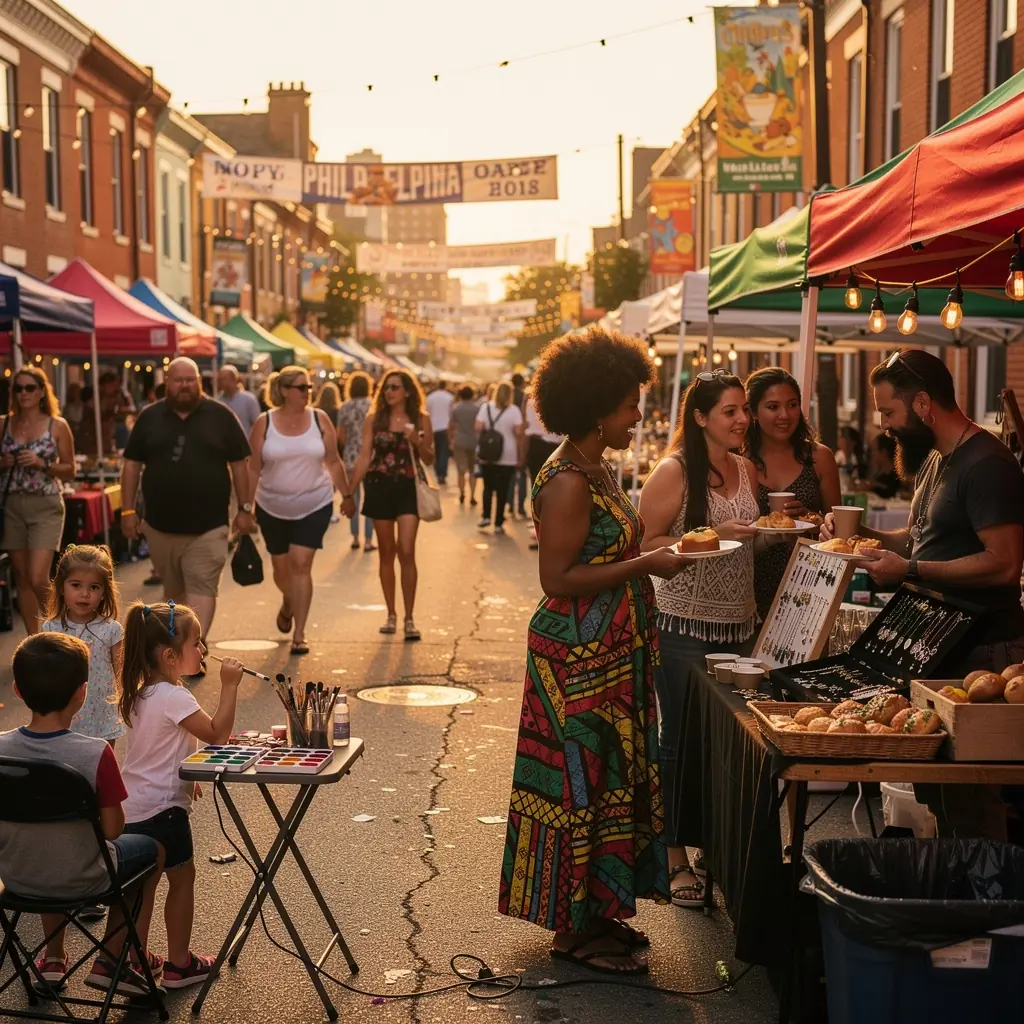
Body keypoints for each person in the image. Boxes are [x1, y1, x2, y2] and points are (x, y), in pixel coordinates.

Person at [498, 328, 688, 975]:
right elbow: (558, 579)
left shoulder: (596, 465)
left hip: (612, 658)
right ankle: (573, 932)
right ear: (599, 407)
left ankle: (601, 914)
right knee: (583, 789)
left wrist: (644, 563)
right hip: (576, 665)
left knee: (610, 784)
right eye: (632, 404)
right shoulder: (568, 480)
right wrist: (645, 564)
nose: (639, 415)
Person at [821, 348, 1024, 839]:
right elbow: (915, 537)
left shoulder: (987, 464)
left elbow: (1004, 563)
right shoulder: (937, 458)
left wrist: (908, 568)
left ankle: (991, 905)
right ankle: (953, 896)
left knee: (977, 794)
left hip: (985, 652)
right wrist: (859, 536)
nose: (885, 425)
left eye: (890, 412)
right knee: (941, 791)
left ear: (924, 405)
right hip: (941, 645)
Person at [639, 369, 763, 907]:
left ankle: (716, 845)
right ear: (700, 417)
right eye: (731, 411)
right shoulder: (674, 471)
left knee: (729, 742)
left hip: (740, 623)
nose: (742, 420)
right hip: (684, 623)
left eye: (743, 410)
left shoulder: (745, 469)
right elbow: (645, 545)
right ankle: (673, 858)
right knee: (679, 742)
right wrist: (707, 539)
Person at [0, 632, 164, 997]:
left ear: (18, 691)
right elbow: (112, 829)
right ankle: (111, 958)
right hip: (84, 879)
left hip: (15, 879)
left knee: (45, 846)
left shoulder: (1, 749)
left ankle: (54, 959)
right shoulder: (94, 754)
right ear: (82, 692)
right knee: (153, 850)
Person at [117, 600, 244, 989]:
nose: (204, 651)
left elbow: (157, 748)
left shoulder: (142, 692)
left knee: (144, 886)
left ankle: (133, 961)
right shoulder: (176, 696)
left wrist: (188, 774)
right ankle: (179, 964)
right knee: (183, 878)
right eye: (197, 643)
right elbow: (218, 734)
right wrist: (228, 685)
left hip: (133, 803)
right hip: (163, 810)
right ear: (171, 655)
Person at [120, 357, 255, 649]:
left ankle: (195, 647)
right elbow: (131, 465)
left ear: (200, 381)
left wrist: (245, 509)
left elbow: (240, 464)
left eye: (190, 380)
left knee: (202, 584)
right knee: (175, 592)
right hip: (160, 525)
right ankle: (182, 647)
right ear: (167, 382)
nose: (184, 386)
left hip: (210, 525)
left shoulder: (221, 415)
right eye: (178, 380)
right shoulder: (149, 417)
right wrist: (128, 510)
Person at [249, 367, 353, 656]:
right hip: (272, 505)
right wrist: (246, 507)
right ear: (284, 391)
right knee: (281, 570)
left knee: (301, 564)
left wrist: (347, 494)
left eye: (309, 387)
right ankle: (288, 602)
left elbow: (333, 461)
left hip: (314, 502)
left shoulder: (320, 419)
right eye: (301, 387)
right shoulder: (264, 422)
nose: (308, 391)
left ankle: (299, 634)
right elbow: (253, 467)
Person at [743, 367, 842, 618]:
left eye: (792, 404)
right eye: (773, 407)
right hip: (749, 584)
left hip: (809, 582)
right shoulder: (739, 461)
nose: (785, 415)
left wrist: (812, 518)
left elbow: (839, 532)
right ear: (753, 411)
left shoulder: (819, 457)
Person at [347, 371, 434, 642]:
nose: (389, 392)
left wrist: (417, 440)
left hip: (408, 488)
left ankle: (409, 618)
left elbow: (429, 458)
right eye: (386, 387)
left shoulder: (421, 419)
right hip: (379, 487)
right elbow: (364, 457)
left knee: (406, 551)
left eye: (395, 387)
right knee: (386, 552)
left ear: (408, 391)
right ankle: (391, 614)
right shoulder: (375, 419)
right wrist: (349, 493)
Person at [0, 366, 76, 634]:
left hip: (46, 504)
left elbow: (70, 468)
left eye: (29, 388)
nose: (23, 393)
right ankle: (35, 639)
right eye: (18, 388)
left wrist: (41, 463)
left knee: (37, 577)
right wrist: (4, 462)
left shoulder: (57, 425)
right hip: (11, 505)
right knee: (21, 578)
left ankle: (64, 626)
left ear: (42, 391)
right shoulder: (4, 423)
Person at [42, 544, 123, 746]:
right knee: (65, 768)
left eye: (94, 587)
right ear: (61, 587)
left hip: (102, 711)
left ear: (105, 591)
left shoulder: (111, 629)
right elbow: (43, 670)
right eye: (76, 585)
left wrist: (127, 699)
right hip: (62, 710)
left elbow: (120, 670)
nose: (84, 594)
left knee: (101, 767)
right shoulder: (50, 627)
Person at [475, 381, 525, 535]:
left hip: (488, 454)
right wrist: (521, 455)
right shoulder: (514, 410)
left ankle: (485, 516)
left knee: (488, 487)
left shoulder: (486, 407)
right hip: (508, 455)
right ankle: (498, 522)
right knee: (503, 489)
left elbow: (478, 427)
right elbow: (519, 433)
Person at [337, 372, 376, 551]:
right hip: (371, 457)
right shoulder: (372, 406)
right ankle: (368, 540)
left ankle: (354, 538)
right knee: (370, 500)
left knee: (353, 497)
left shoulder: (345, 407)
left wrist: (350, 446)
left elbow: (341, 435)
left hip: (351, 456)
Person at [448, 384, 480, 508]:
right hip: (474, 441)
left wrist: (451, 440)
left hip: (459, 441)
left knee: (461, 471)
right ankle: (472, 496)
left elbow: (450, 426)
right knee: (473, 471)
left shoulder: (456, 409)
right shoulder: (477, 409)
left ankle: (462, 493)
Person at [506, 372, 529, 519]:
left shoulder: (506, 397)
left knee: (510, 475)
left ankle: (509, 504)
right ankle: (520, 506)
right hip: (523, 438)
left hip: (508, 438)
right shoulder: (525, 398)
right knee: (522, 474)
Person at [216, 365, 261, 437]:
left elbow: (258, 425)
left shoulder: (249, 399)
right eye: (220, 379)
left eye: (223, 379)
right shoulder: (218, 401)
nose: (220, 382)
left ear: (233, 379)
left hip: (246, 444)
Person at [425, 382, 454, 486]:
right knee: (443, 452)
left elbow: (426, 411)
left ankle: (438, 471)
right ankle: (442, 473)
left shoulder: (431, 397)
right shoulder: (450, 397)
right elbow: (452, 414)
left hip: (433, 427)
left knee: (436, 450)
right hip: (445, 427)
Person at [858, 433, 902, 499]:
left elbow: (893, 493)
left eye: (874, 450)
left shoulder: (898, 475)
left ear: (884, 452)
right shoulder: (876, 471)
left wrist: (873, 485)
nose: (872, 454)